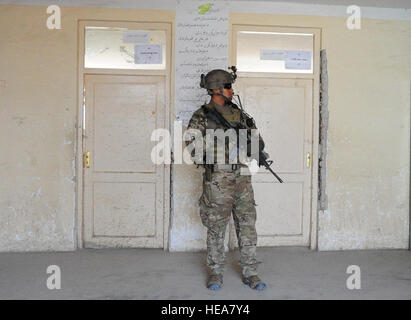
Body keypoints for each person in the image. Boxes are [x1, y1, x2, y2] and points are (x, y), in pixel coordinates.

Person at [185, 68, 266, 291]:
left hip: (242, 178)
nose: (232, 90)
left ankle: (251, 272)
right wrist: (221, 151)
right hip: (218, 179)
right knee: (216, 226)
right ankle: (216, 272)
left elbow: (257, 140)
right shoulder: (202, 115)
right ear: (217, 89)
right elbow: (192, 146)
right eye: (229, 86)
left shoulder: (239, 114)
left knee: (247, 224)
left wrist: (254, 147)